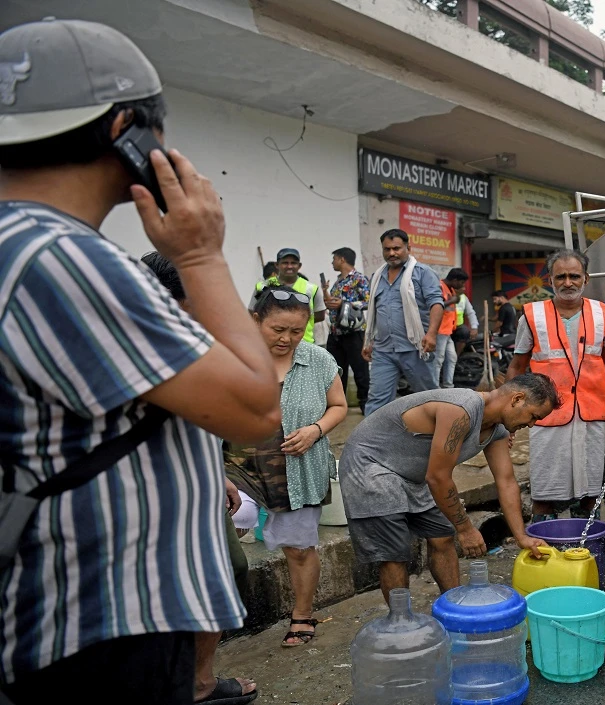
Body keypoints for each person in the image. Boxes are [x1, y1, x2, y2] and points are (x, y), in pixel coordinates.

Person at [0, 19, 280, 704]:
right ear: (129, 128)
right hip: (101, 627)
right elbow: (254, 410)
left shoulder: (22, 243)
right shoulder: (59, 257)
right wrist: (201, 254)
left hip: (70, 618)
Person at [140, 253, 258, 705]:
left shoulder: (195, 340)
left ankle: (199, 680)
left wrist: (219, 474)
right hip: (152, 494)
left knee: (230, 570)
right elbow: (258, 413)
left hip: (202, 481)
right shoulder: (134, 345)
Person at [339, 375, 558, 600]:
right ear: (517, 399)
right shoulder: (460, 410)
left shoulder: (497, 430)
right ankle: (401, 624)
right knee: (395, 552)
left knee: (443, 535)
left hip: (414, 475)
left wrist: (521, 537)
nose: (531, 425)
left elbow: (506, 481)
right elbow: (438, 477)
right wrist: (466, 529)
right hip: (371, 465)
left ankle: (453, 606)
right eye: (533, 416)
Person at [227, 287, 348, 648]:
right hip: (237, 467)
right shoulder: (232, 359)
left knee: (298, 548)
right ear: (255, 321)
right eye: (278, 329)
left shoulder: (318, 360)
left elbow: (339, 406)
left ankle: (301, 615)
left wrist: (315, 431)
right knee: (226, 526)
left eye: (296, 331)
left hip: (297, 469)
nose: (287, 339)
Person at [507, 250, 605, 525]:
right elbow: (516, 369)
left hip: (590, 414)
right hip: (546, 415)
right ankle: (546, 551)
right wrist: (506, 419)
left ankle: (589, 552)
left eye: (574, 276)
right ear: (550, 280)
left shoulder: (601, 315)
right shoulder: (532, 316)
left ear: (585, 279)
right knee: (545, 490)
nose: (568, 282)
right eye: (561, 276)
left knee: (590, 489)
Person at [362, 229, 445, 413]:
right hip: (384, 350)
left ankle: (437, 437)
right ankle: (372, 441)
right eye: (387, 249)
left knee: (428, 398)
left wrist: (431, 334)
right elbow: (375, 311)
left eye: (397, 248)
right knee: (377, 399)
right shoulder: (377, 277)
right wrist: (368, 342)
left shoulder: (423, 273)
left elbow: (436, 303)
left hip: (416, 348)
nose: (392, 253)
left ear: (408, 247)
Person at [325, 247, 371, 414]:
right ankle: (338, 406)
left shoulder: (359, 279)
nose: (332, 263)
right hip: (336, 334)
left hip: (354, 333)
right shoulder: (337, 283)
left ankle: (365, 404)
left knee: (360, 370)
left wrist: (345, 304)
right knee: (335, 372)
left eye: (334, 259)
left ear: (342, 259)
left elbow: (369, 301)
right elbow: (333, 302)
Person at [253, 248, 325, 344]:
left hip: (303, 344)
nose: (289, 266)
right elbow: (252, 312)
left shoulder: (311, 289)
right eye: (285, 263)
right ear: (277, 265)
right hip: (270, 343)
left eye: (293, 263)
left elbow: (320, 315)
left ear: (299, 266)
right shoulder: (262, 287)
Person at [434, 268, 470, 389]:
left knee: (452, 357)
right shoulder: (439, 286)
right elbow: (436, 306)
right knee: (438, 359)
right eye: (462, 282)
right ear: (455, 280)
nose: (462, 285)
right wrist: (452, 301)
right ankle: (433, 387)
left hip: (447, 331)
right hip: (439, 330)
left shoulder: (451, 289)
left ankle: (448, 386)